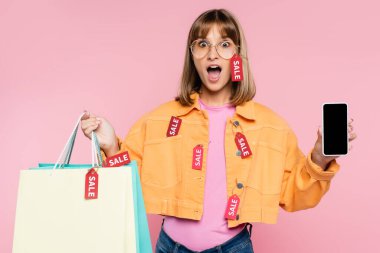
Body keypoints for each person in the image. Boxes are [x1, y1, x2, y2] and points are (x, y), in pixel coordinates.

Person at [81, 9, 357, 253]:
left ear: (237, 57)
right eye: (202, 44)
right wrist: (110, 147)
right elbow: (129, 181)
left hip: (233, 248)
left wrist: (320, 158)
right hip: (170, 247)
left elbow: (294, 193)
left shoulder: (269, 127)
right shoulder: (159, 121)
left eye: (224, 44)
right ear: (193, 55)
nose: (213, 53)